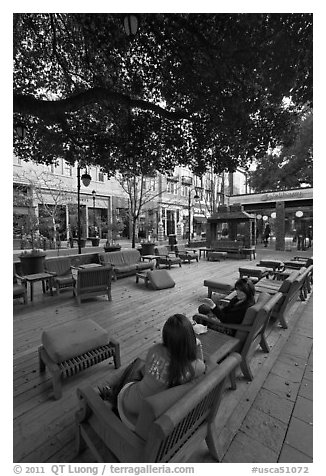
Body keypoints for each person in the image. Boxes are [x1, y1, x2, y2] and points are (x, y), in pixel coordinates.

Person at [116, 314, 206, 427]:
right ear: (190, 339)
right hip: (149, 420)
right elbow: (202, 365)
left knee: (137, 364)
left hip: (128, 405)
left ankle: (109, 394)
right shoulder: (193, 368)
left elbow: (144, 372)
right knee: (139, 368)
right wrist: (197, 345)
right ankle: (109, 393)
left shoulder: (155, 350)